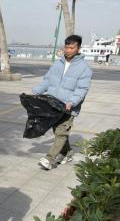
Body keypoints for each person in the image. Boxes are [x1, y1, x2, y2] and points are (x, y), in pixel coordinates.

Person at [32, 35, 92, 170]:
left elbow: (82, 89)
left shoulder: (84, 68)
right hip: (53, 104)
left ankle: (49, 158)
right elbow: (47, 80)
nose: (68, 50)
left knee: (61, 132)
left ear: (78, 48)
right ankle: (68, 153)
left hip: (68, 107)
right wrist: (36, 92)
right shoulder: (57, 63)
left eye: (72, 47)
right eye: (66, 47)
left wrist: (72, 102)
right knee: (58, 131)